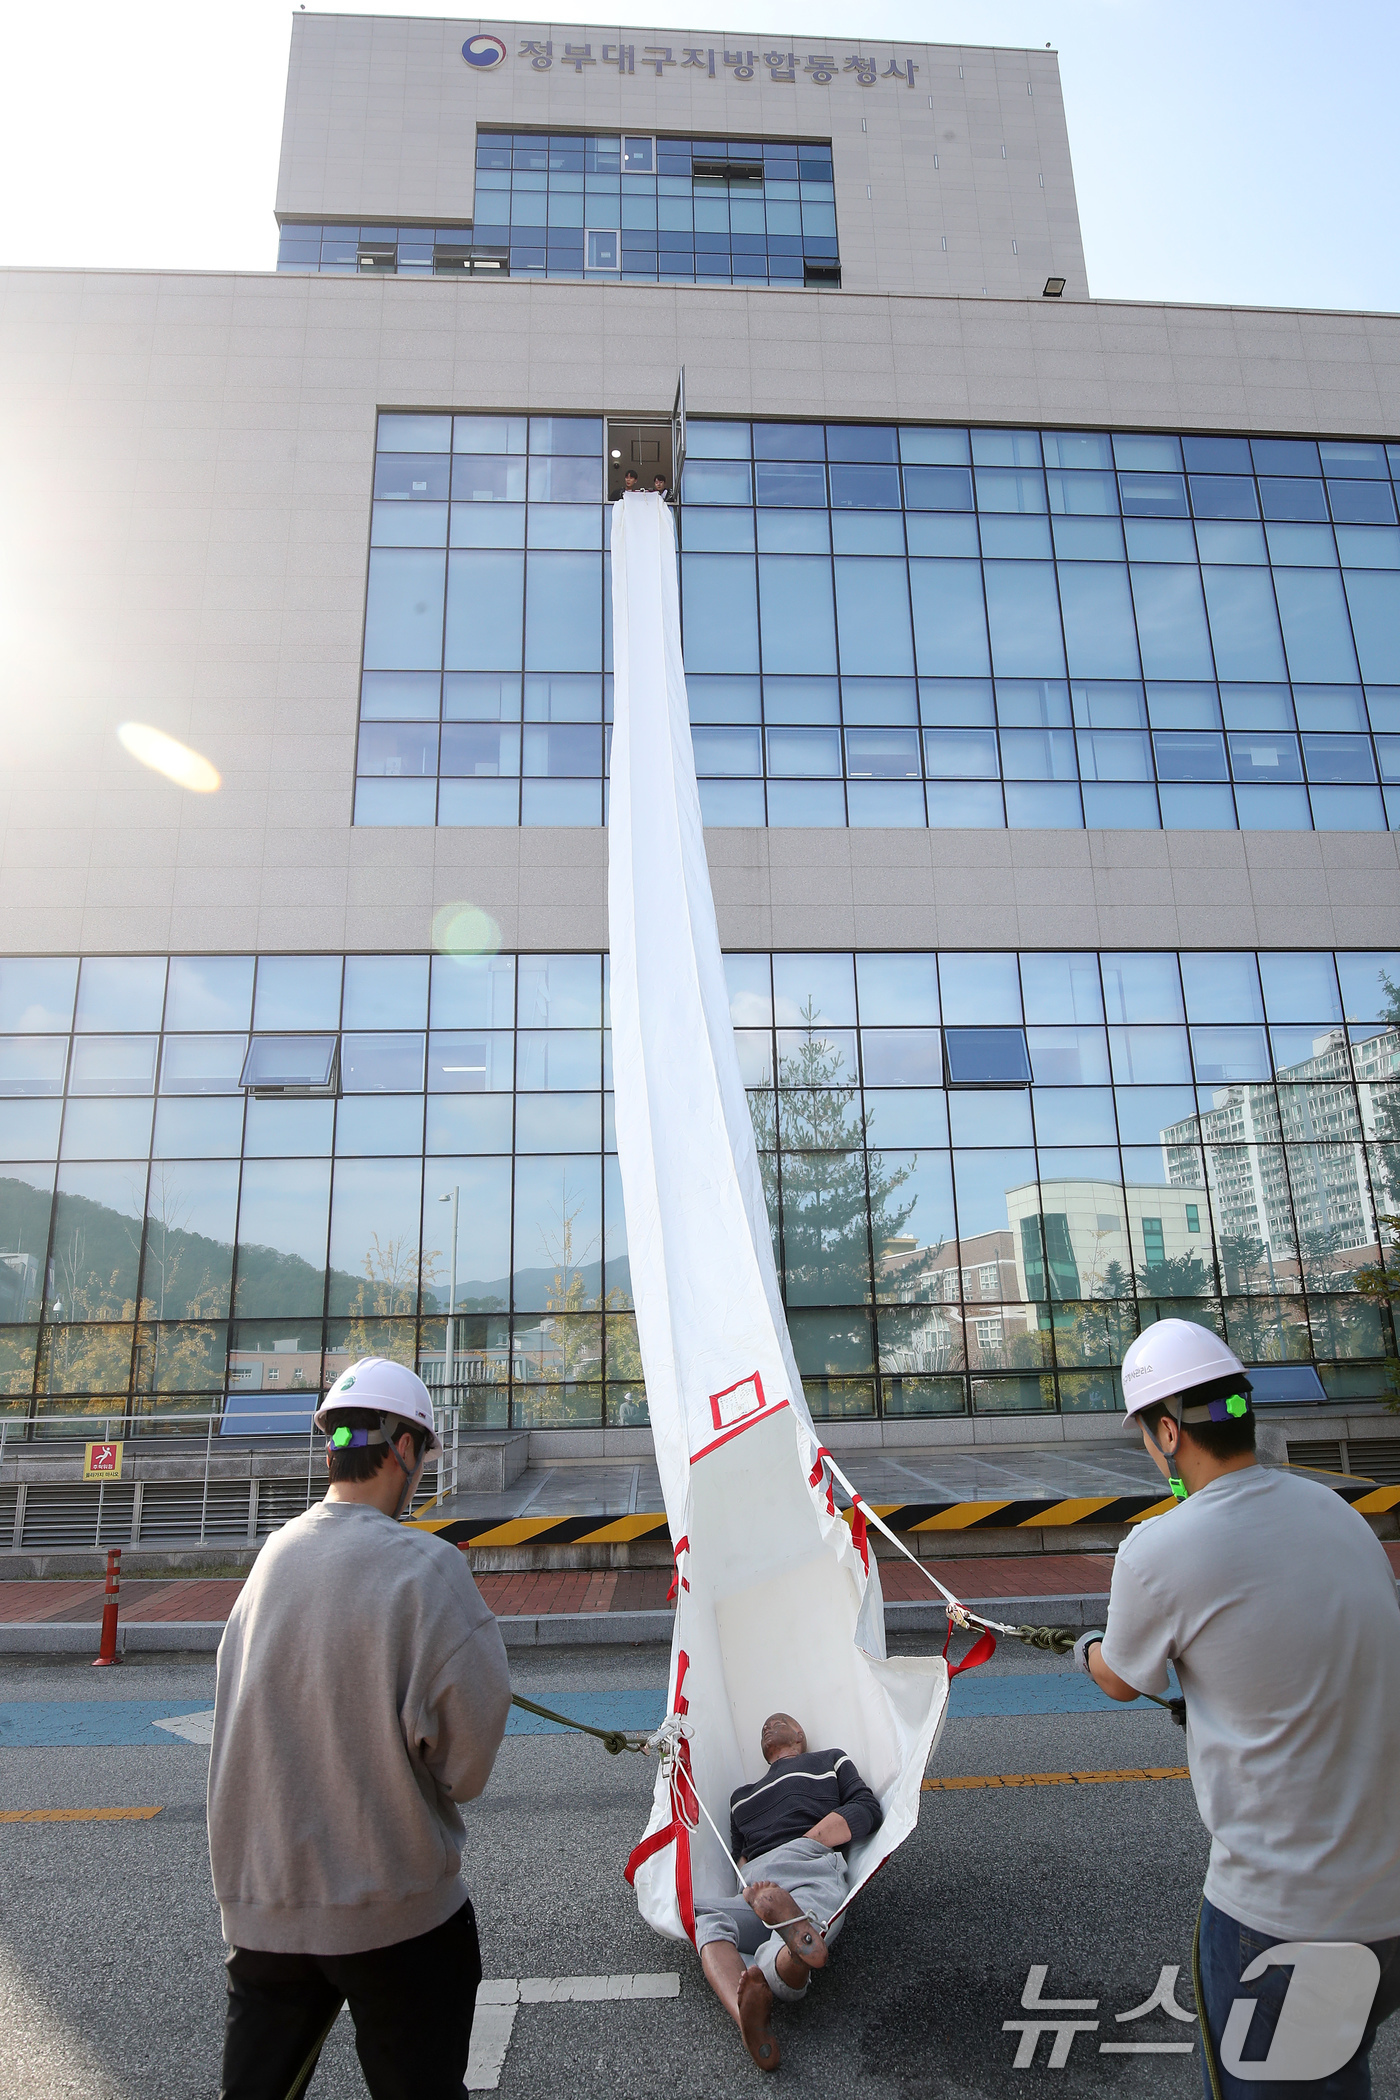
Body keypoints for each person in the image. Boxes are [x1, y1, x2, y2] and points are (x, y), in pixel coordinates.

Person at [1074, 1319, 1400, 2098]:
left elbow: (1121, 1676)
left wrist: (1083, 1643)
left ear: (1166, 1432)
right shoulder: (1342, 1518)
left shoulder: (1159, 1548)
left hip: (1286, 1925)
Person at [208, 1357, 511, 2100]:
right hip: (397, 1912)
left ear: (331, 1448)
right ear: (404, 1449)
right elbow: (465, 1769)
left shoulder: (273, 1557)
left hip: (266, 1911)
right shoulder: (427, 1569)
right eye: (424, 1454)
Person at [694, 1711, 882, 2072]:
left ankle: (790, 1952)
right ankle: (748, 2013)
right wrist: (747, 1888)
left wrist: (809, 1841)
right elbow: (740, 1857)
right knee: (702, 1916)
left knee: (805, 1914)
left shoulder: (828, 1761)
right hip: (757, 1884)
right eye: (764, 1725)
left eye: (779, 1721)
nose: (767, 1725)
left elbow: (866, 1808)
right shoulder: (740, 1798)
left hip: (807, 1858)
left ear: (800, 1734)